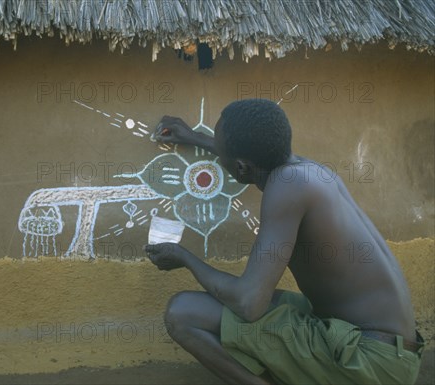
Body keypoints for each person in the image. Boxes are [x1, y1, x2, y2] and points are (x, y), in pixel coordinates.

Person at [144, 99, 423, 385]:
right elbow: (251, 161)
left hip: (367, 363)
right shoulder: (307, 171)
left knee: (183, 312)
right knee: (272, 303)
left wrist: (185, 258)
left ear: (241, 167)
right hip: (393, 353)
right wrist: (196, 138)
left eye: (221, 148)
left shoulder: (285, 188)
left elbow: (248, 303)